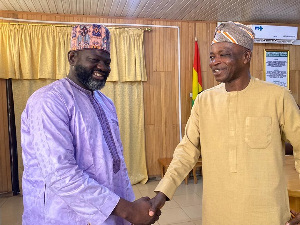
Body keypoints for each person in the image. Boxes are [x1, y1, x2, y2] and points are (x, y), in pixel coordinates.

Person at [148, 21, 300, 225]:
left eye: (224, 54)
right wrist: (161, 195)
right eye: (212, 56)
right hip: (217, 214)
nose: (214, 62)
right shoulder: (204, 101)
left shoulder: (277, 97)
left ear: (246, 57)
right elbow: (187, 151)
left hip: (267, 214)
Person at [21, 24, 160, 225]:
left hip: (109, 211)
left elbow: (116, 166)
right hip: (62, 216)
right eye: (94, 60)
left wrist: (132, 210)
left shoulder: (106, 103)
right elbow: (60, 173)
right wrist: (129, 210)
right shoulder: (49, 101)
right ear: (72, 58)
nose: (102, 67)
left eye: (107, 62)